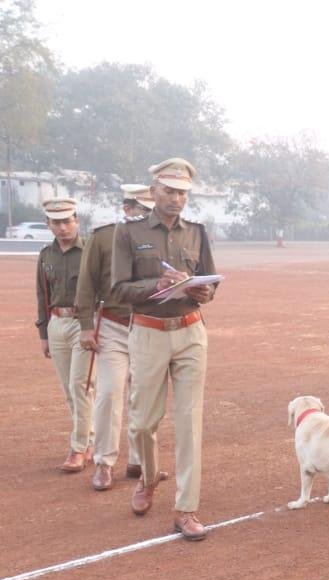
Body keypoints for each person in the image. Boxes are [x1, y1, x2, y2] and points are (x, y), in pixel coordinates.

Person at [110, 157, 217, 541]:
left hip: (190, 331)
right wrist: (157, 285)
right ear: (153, 191)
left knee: (190, 423)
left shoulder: (197, 232)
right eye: (170, 191)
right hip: (148, 332)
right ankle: (150, 477)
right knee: (143, 421)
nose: (176, 199)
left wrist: (204, 290)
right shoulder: (128, 233)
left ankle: (186, 508)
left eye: (183, 193)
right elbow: (119, 289)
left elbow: (210, 280)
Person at [75, 184, 153, 489]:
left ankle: (138, 460)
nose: (143, 215)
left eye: (148, 210)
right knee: (109, 393)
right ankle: (105, 463)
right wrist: (84, 324)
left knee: (143, 395)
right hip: (112, 325)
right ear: (126, 208)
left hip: (147, 325)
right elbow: (86, 282)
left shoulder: (157, 238)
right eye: (139, 209)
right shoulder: (104, 236)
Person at [34, 197, 93, 472]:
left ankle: (78, 448)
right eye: (56, 222)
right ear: (48, 224)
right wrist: (44, 332)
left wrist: (92, 326)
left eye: (67, 221)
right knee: (70, 389)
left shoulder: (90, 251)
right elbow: (42, 294)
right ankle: (90, 440)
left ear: (77, 221)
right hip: (57, 323)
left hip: (84, 323)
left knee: (80, 385)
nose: (62, 227)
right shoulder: (46, 255)